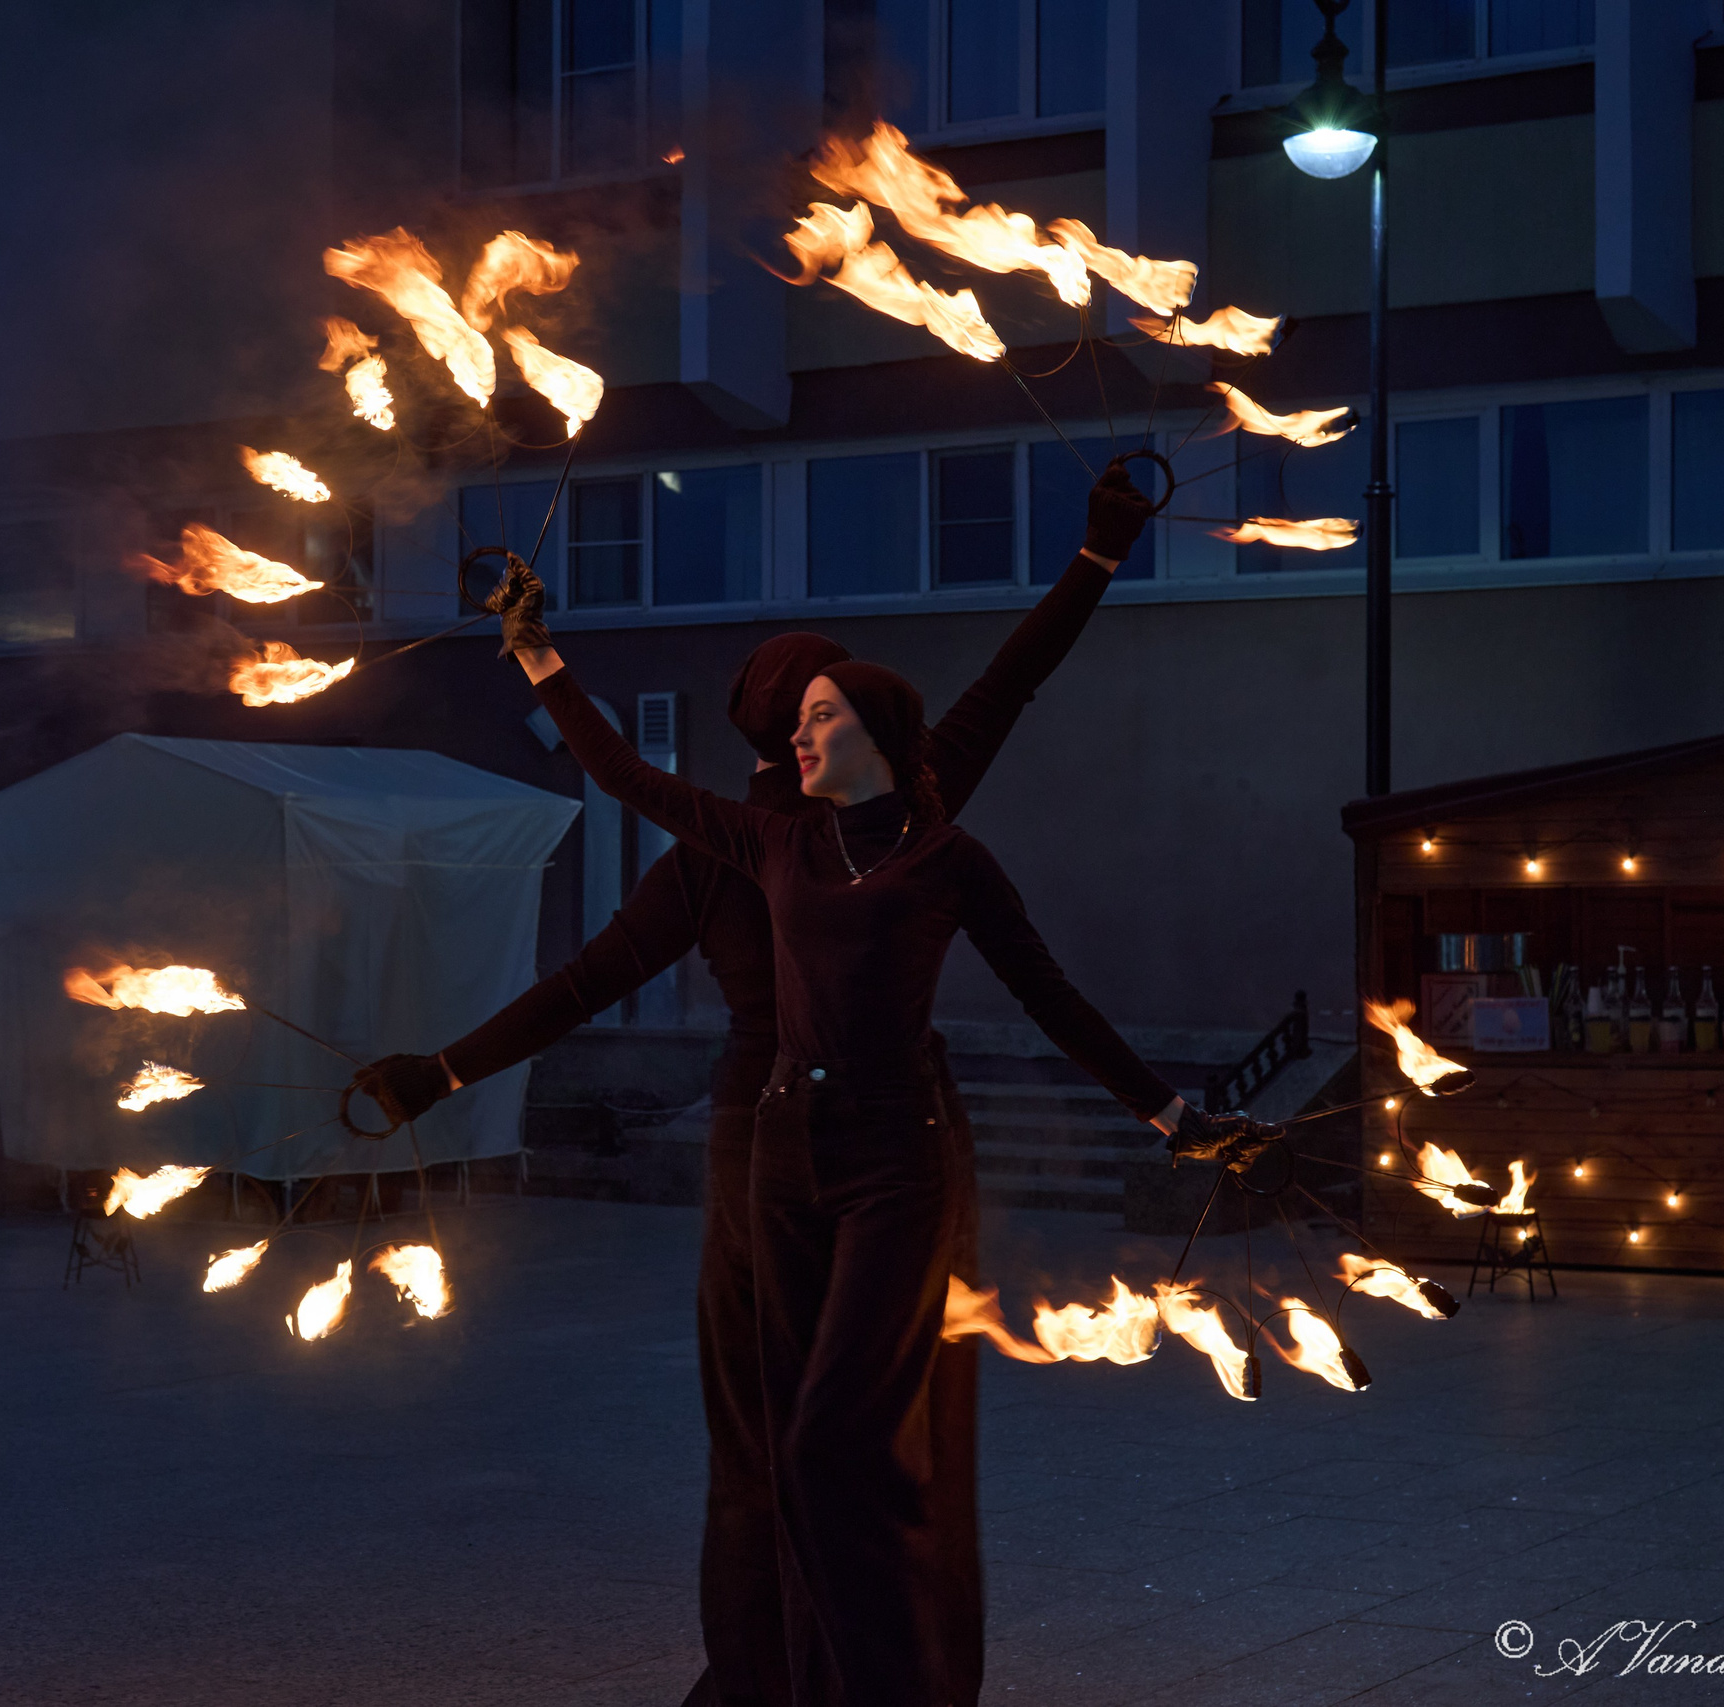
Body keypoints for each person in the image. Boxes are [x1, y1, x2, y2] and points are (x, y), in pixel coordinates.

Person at [354, 469, 1158, 1707]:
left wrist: (441, 1070)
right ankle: (808, 1675)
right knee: (843, 1434)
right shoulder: (807, 825)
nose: (830, 715)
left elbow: (582, 978)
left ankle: (789, 1676)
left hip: (809, 1143)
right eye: (819, 696)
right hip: (816, 1143)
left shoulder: (806, 827)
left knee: (786, 1433)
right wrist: (1098, 556)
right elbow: (1016, 676)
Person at [490, 592, 1259, 1707]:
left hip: (897, 1155)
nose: (796, 735)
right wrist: (536, 653)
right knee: (788, 1450)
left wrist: (1173, 1117)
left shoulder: (945, 854)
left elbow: (1050, 997)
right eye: (791, 717)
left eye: (819, 713)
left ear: (877, 732)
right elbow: (620, 777)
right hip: (779, 1148)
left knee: (831, 1449)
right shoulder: (766, 842)